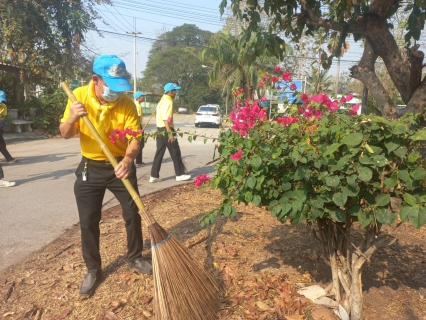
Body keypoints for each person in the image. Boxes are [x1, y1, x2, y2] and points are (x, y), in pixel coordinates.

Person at [59, 54, 152, 298]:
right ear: (96, 80)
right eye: (111, 85)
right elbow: (65, 133)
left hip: (121, 166)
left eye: (120, 86)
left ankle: (135, 256)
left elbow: (135, 138)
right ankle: (93, 269)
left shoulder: (127, 103)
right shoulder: (78, 96)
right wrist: (73, 117)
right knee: (89, 220)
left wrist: (129, 159)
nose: (116, 92)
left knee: (133, 212)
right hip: (91, 166)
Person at [149, 83, 191, 183]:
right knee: (175, 151)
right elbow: (166, 119)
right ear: (171, 92)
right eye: (175, 91)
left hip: (159, 130)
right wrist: (170, 133)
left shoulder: (161, 100)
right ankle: (180, 174)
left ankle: (154, 176)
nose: (176, 93)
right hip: (167, 129)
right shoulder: (168, 101)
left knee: (159, 152)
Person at [0, 90, 17, 163]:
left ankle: (8, 158)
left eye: (2, 100)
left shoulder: (4, 106)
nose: (1, 102)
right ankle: (9, 158)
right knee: (1, 143)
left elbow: (3, 117)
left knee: (1, 143)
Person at [134, 91, 147, 166]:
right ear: (139, 98)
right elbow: (137, 117)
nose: (143, 98)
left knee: (140, 144)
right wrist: (139, 128)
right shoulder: (137, 106)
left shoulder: (137, 104)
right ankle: (137, 161)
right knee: (140, 144)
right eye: (142, 96)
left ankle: (139, 161)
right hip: (138, 126)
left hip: (138, 125)